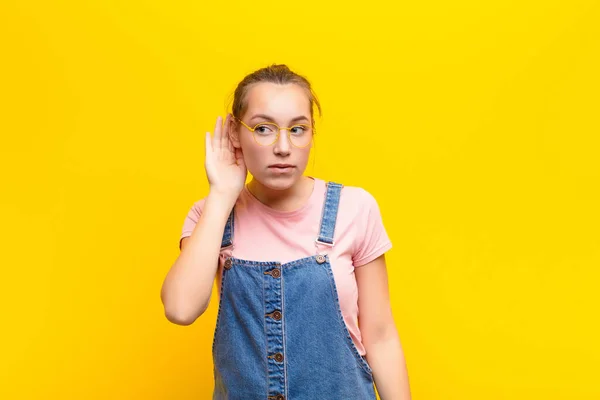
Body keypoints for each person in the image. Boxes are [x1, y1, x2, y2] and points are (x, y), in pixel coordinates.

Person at [160, 64, 411, 399]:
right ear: (235, 132)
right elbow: (180, 309)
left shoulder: (355, 209)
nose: (282, 147)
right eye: (263, 129)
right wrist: (221, 196)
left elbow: (380, 337)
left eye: (297, 129)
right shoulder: (211, 217)